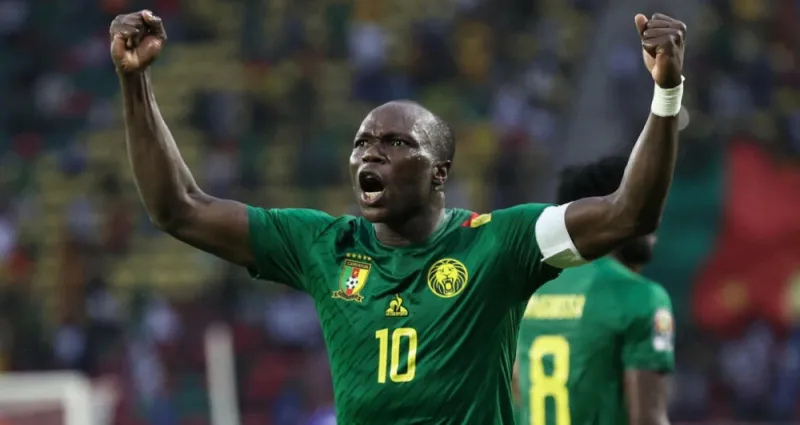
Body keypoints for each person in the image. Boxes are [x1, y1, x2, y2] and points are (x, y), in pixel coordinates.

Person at [109, 10, 686, 424]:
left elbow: (628, 213)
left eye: (394, 143)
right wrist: (135, 82)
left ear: (439, 172)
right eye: (361, 143)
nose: (370, 154)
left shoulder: (500, 243)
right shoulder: (324, 245)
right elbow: (179, 209)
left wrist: (665, 93)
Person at [514, 157, 675, 425]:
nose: (654, 223)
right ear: (613, 214)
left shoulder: (526, 291)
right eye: (646, 208)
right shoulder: (640, 296)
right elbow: (647, 419)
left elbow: (513, 390)